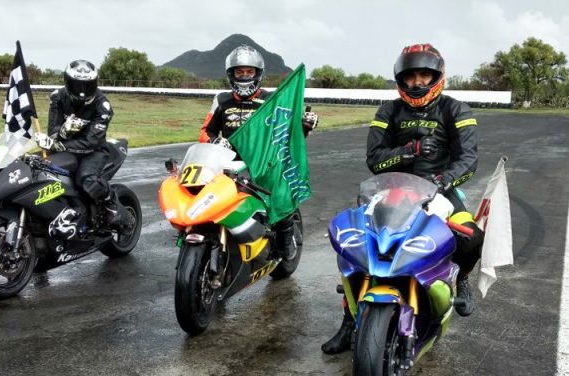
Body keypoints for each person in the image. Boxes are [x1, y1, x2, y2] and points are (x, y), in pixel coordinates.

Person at [321, 43, 484, 355]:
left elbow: (468, 160)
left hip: (441, 191)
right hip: (388, 191)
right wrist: (409, 151)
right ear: (401, 79)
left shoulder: (456, 109)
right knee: (356, 247)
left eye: (425, 75)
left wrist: (443, 179)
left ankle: (460, 280)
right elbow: (374, 158)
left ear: (438, 76)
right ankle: (347, 320)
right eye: (411, 76)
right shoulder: (388, 110)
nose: (418, 82)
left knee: (472, 238)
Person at [198, 44, 319, 261]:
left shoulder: (272, 100)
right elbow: (206, 130)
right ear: (231, 74)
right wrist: (216, 141)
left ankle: (286, 235)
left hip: (263, 163)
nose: (244, 76)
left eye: (249, 71)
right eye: (239, 72)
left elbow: (289, 132)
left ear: (258, 73)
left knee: (279, 191)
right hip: (226, 162)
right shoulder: (221, 100)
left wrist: (305, 124)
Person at [35, 59, 126, 228]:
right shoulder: (57, 97)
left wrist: (60, 145)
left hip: (94, 151)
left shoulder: (103, 106)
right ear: (67, 82)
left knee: (87, 179)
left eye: (87, 85)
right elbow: (52, 130)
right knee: (35, 167)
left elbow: (92, 141)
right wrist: (60, 133)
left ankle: (111, 203)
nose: (82, 91)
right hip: (66, 148)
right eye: (77, 85)